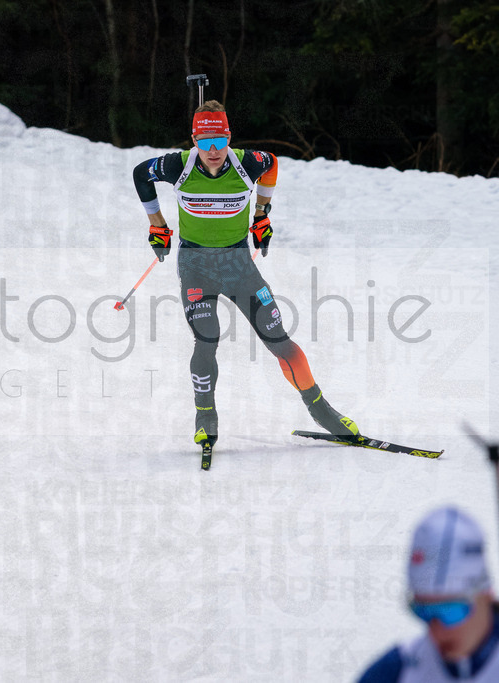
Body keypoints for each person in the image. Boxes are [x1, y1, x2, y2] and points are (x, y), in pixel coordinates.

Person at [132, 99, 358, 449]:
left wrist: (262, 213)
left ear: (229, 138)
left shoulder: (247, 162)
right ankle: (205, 416)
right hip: (196, 265)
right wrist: (157, 225)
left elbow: (272, 163)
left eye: (220, 141)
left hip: (238, 265)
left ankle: (321, 410)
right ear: (194, 141)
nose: (213, 150)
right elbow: (140, 174)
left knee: (278, 339)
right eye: (205, 142)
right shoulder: (178, 165)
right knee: (207, 338)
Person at [357, 506, 499, 682]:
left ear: (487, 594)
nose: (436, 632)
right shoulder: (394, 672)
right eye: (422, 612)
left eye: (450, 611)